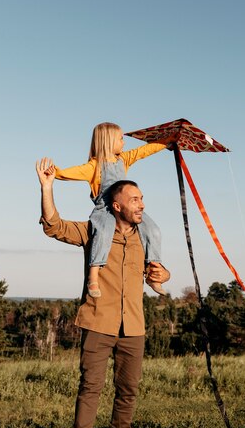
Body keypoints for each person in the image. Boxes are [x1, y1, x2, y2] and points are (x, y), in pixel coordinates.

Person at [36, 158, 171, 428]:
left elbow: (159, 274)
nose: (142, 204)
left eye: (142, 199)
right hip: (97, 322)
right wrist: (47, 188)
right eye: (135, 199)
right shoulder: (95, 231)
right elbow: (54, 227)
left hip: (134, 326)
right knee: (90, 387)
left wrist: (163, 276)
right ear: (117, 205)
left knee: (128, 389)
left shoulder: (145, 238)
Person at [54, 121, 167, 298]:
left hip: (126, 208)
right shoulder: (94, 167)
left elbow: (144, 151)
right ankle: (93, 276)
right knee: (104, 233)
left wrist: (167, 142)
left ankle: (153, 271)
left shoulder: (124, 160)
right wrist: (56, 172)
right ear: (108, 141)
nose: (124, 142)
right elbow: (72, 173)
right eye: (120, 139)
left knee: (153, 230)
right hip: (105, 210)